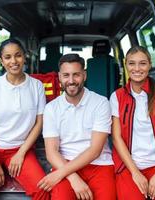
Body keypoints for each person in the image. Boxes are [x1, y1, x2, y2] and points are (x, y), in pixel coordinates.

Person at [0, 38, 50, 200]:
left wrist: (21, 154)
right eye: (8, 57)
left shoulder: (36, 86)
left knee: (43, 192)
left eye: (18, 55)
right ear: (1, 61)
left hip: (20, 149)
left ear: (24, 57)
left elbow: (39, 123)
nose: (14, 61)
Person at [37, 53, 116, 200]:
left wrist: (60, 174)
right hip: (63, 162)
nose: (71, 81)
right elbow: (51, 152)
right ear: (59, 77)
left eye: (76, 75)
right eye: (66, 75)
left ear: (84, 75)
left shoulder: (101, 103)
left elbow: (95, 151)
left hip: (99, 164)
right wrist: (73, 178)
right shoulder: (51, 108)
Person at [110, 46, 155, 200]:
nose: (137, 68)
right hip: (128, 167)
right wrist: (135, 172)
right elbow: (116, 138)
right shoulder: (117, 97)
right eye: (132, 63)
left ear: (150, 65)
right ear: (126, 65)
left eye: (142, 63)